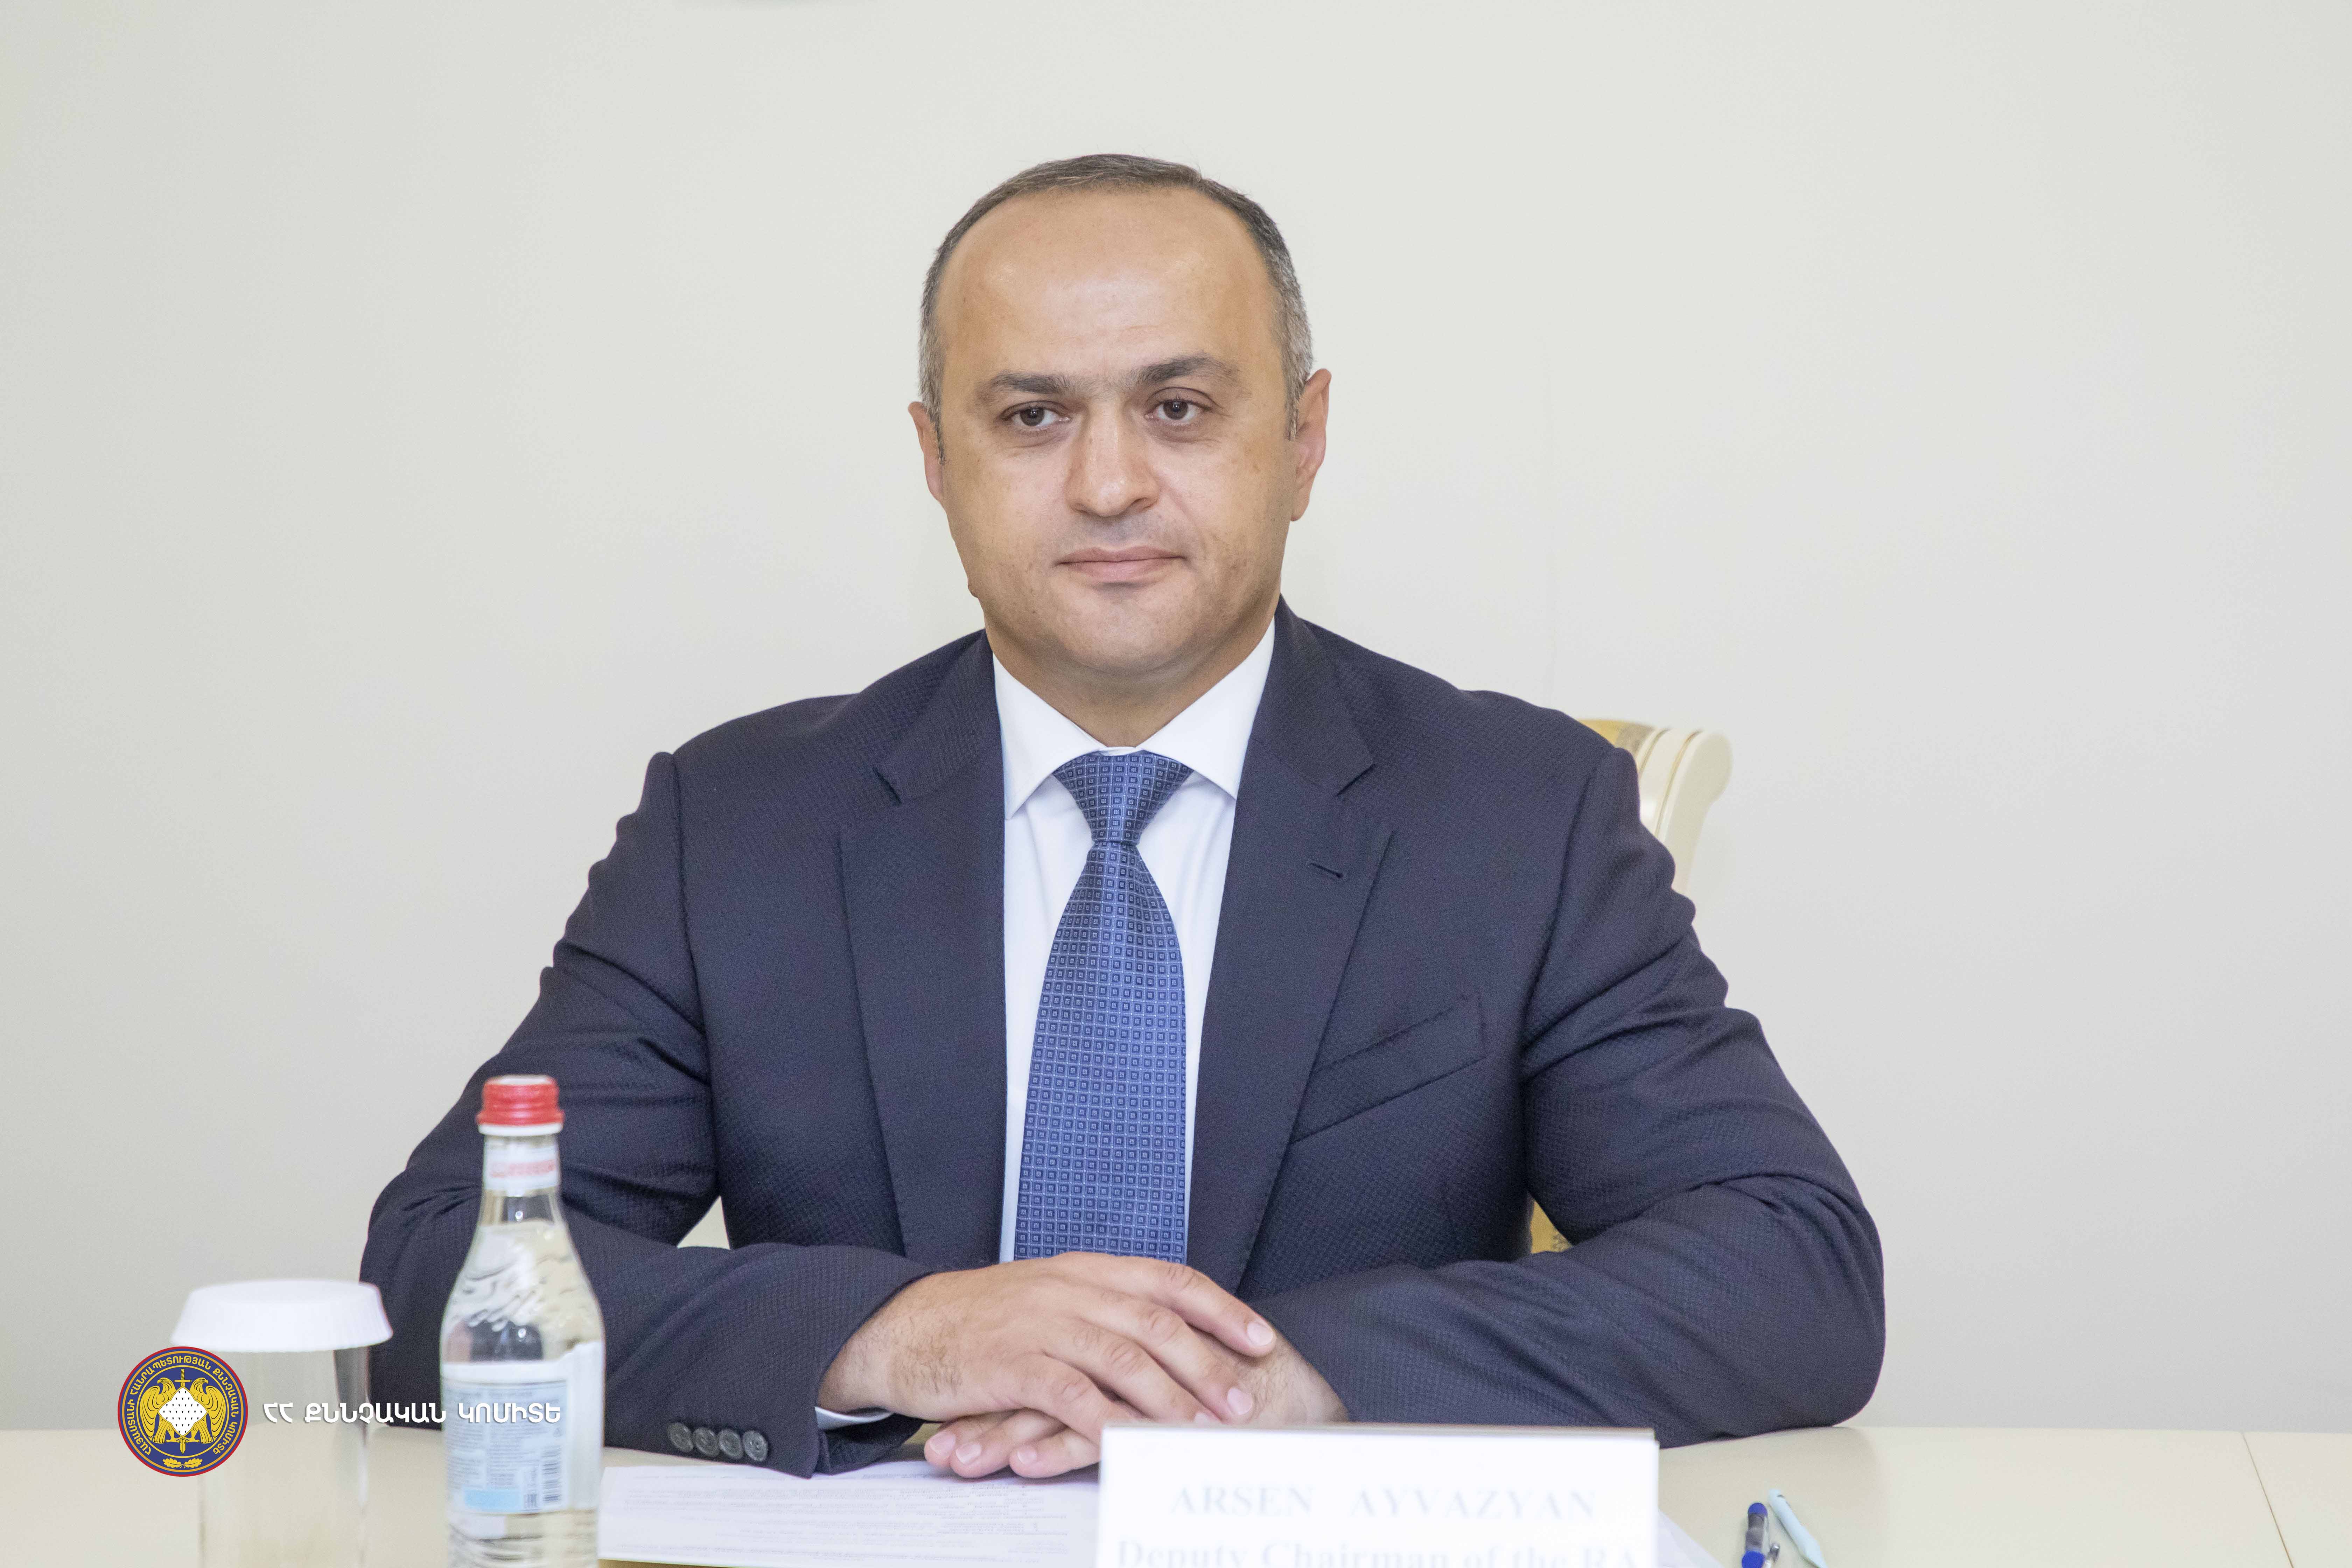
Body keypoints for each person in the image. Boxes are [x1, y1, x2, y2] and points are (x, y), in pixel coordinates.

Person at [362, 153, 1883, 1482]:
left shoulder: (1517, 816)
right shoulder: (741, 826)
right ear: (936, 460)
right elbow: (438, 1275)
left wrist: (1281, 1373)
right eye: (1032, 416)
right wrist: (899, 1334)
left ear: (1303, 440)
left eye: (1179, 408)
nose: (1107, 483)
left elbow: (1792, 1268)